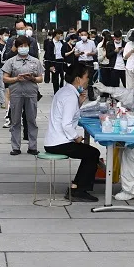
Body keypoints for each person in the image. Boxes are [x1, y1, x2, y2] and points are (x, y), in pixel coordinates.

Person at [44, 62, 100, 202]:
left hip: (54, 140)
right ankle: (78, 190)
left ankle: (77, 186)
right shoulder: (69, 96)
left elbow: (68, 114)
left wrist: (80, 102)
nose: (88, 80)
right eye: (87, 77)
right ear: (78, 79)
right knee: (92, 153)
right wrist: (76, 137)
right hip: (59, 142)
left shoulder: (66, 92)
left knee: (89, 153)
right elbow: (66, 123)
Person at [2, 35, 43, 155]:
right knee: (15, 120)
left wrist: (33, 78)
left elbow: (41, 78)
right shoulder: (11, 61)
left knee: (31, 120)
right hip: (16, 93)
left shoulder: (35, 61)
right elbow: (5, 78)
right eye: (21, 46)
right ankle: (15, 147)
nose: (23, 48)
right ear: (17, 47)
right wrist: (16, 78)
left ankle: (32, 146)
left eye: (25, 46)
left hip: (31, 93)